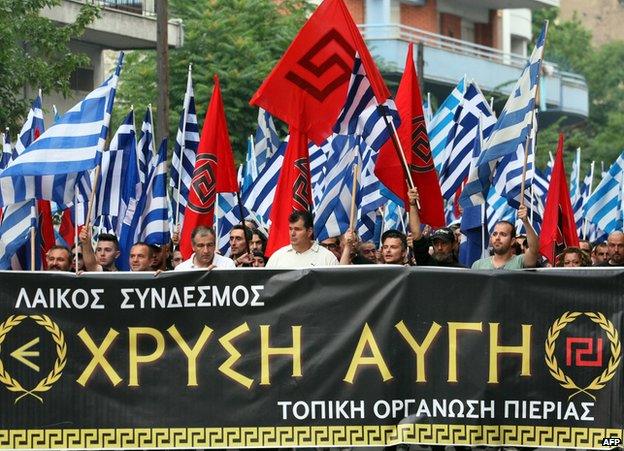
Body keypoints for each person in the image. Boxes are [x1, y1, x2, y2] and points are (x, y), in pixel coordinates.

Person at [471, 204, 539, 269]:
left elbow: (534, 250)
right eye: (495, 234)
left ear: (512, 241)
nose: (497, 238)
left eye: (503, 234)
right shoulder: (478, 265)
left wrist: (526, 222)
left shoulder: (520, 261)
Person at [407, 187, 462, 267]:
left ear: (453, 244)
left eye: (444, 243)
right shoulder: (426, 264)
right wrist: (412, 204)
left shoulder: (462, 272)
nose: (439, 248)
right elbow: (416, 235)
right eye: (436, 244)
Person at [266, 211, 339, 268]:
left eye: (297, 229)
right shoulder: (277, 257)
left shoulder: (327, 257)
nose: (292, 233)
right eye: (290, 229)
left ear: (309, 231)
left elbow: (337, 285)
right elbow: (266, 284)